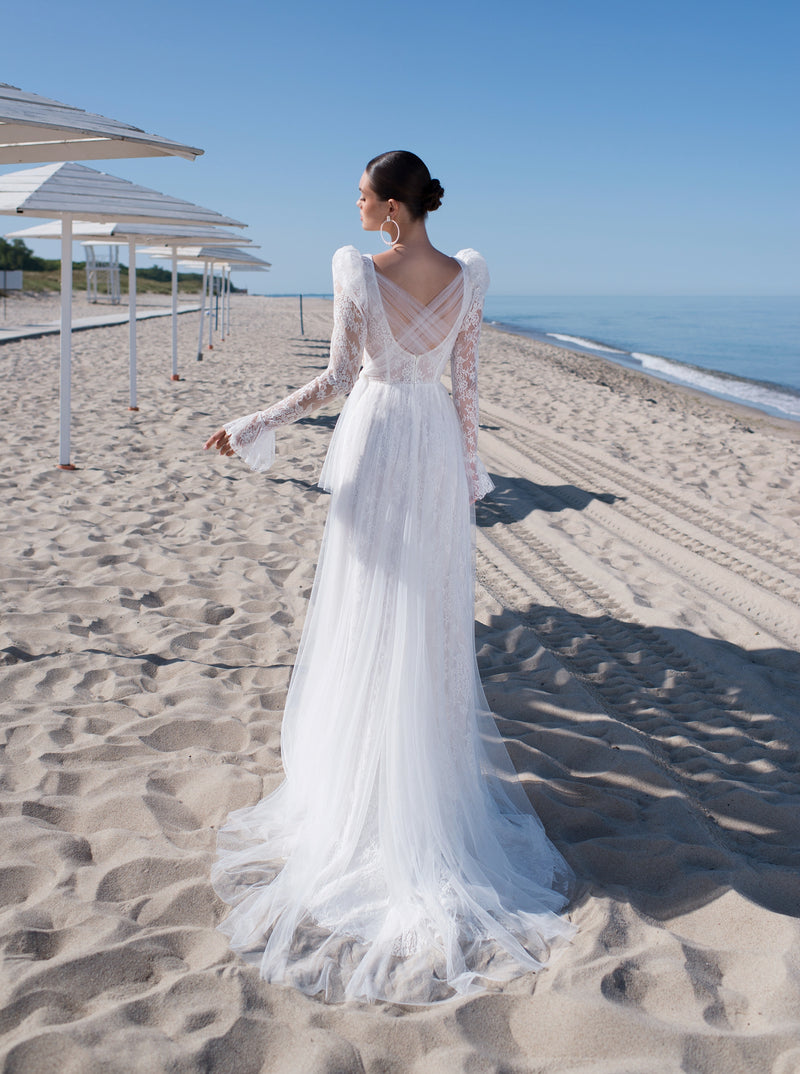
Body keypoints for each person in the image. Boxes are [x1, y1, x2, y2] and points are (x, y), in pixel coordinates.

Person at [204, 151, 575, 1004]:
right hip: (436, 449)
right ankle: (415, 793)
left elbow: (337, 380)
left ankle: (366, 801)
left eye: (365, 195)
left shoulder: (358, 274)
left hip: (375, 443)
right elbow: (466, 390)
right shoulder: (468, 276)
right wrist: (472, 474)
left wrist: (254, 421)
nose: (356, 204)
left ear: (392, 207)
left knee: (367, 613)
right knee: (424, 617)